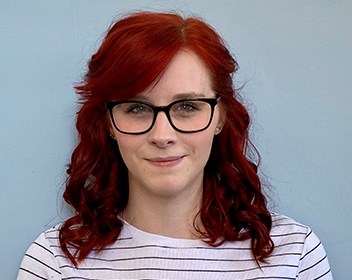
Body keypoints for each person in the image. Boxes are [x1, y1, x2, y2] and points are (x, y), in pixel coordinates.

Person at [17, 11, 333, 279]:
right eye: (137, 109)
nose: (163, 135)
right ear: (109, 123)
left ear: (220, 117)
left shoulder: (293, 254)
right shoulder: (55, 261)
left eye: (187, 107)